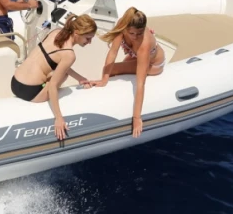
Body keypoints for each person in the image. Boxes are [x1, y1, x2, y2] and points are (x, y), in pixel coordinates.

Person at [11, 14, 97, 141]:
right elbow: (52, 86)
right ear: (77, 33)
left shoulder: (56, 32)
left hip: (15, 82)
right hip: (30, 92)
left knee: (55, 70)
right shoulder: (69, 54)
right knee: (62, 75)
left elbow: (58, 62)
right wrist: (59, 118)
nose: (89, 42)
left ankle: (45, 79)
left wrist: (80, 78)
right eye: (88, 38)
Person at [89, 7, 165, 138]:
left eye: (139, 33)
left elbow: (140, 84)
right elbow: (113, 52)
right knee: (107, 70)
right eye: (132, 33)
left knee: (117, 69)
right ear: (125, 29)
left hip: (153, 64)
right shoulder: (122, 26)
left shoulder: (143, 45)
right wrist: (104, 80)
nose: (135, 37)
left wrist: (136, 117)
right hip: (134, 56)